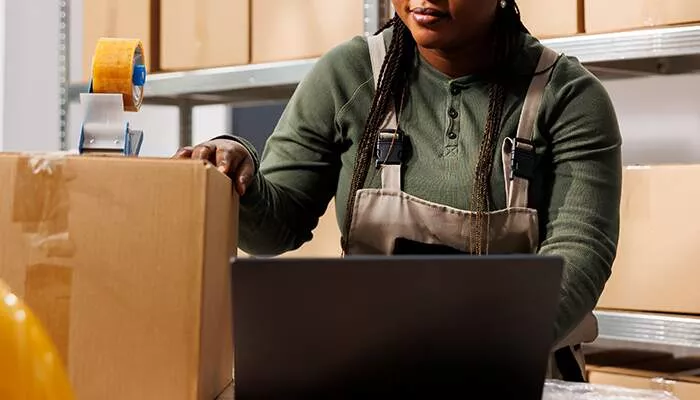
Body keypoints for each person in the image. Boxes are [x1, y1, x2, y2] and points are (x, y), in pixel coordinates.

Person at [174, 0, 622, 382]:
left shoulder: (568, 97)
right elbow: (272, 230)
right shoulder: (349, 76)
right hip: (373, 374)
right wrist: (238, 176)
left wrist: (485, 344)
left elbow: (580, 251)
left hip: (517, 375)